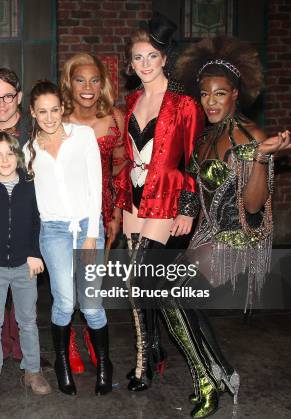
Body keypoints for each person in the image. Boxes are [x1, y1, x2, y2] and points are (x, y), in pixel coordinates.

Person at [158, 35, 291, 418]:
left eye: (220, 93)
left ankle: (207, 381)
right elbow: (194, 189)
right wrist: (180, 214)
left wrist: (257, 157)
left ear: (236, 94)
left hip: (238, 240)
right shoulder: (206, 137)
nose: (212, 101)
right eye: (205, 94)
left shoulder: (251, 136)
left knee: (174, 298)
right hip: (207, 237)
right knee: (178, 299)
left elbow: (254, 205)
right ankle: (223, 373)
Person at [114, 12, 203, 391]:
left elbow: (196, 157)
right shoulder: (132, 98)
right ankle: (150, 354)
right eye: (138, 57)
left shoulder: (184, 104)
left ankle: (145, 363)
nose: (145, 64)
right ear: (130, 64)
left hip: (167, 195)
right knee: (140, 286)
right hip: (133, 197)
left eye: (152, 56)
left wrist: (189, 207)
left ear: (165, 58)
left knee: (139, 278)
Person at [24, 80, 113, 396]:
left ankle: (104, 363)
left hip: (88, 226)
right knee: (64, 301)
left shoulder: (84, 136)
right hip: (54, 233)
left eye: (55, 110)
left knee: (90, 305)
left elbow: (96, 185)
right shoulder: (28, 151)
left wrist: (92, 234)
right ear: (33, 113)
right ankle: (62, 362)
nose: (49, 117)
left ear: (63, 108)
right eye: (42, 111)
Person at [0, 132, 51, 397]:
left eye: (10, 154)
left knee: (27, 320)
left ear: (19, 156)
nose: (4, 160)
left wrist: (35, 252)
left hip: (24, 265)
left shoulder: (31, 186)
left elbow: (39, 222)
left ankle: (33, 370)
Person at [59, 52, 126, 373]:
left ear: (103, 84)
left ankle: (91, 336)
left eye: (94, 80)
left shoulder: (115, 119)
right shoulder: (57, 119)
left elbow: (120, 167)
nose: (87, 86)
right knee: (67, 281)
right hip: (67, 212)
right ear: (69, 84)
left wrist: (115, 215)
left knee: (92, 283)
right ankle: (69, 341)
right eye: (80, 79)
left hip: (103, 211)